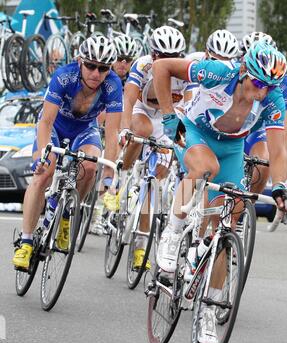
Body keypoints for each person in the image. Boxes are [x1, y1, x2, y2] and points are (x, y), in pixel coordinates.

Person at [152, 41, 287, 343]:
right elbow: (162, 68)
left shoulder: (272, 99)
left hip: (231, 149)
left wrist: (280, 184)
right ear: (244, 71)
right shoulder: (218, 72)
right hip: (194, 133)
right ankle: (173, 233)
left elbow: (278, 150)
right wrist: (167, 115)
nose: (262, 92)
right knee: (203, 168)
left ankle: (208, 311)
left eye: (270, 87)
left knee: (230, 222)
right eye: (258, 83)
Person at [13, 36, 123, 270]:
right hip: (54, 126)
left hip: (85, 129)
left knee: (91, 166)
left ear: (109, 69)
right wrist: (43, 156)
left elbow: (112, 133)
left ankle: (67, 214)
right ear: (81, 62)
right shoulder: (65, 75)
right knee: (45, 173)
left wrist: (109, 174)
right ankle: (25, 241)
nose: (96, 73)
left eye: (103, 68)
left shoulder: (113, 85)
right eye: (91, 65)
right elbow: (45, 121)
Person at [106, 26, 190, 270]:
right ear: (153, 55)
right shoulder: (142, 65)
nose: (167, 62)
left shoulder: (184, 71)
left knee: (154, 183)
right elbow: (129, 99)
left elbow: (189, 104)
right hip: (143, 112)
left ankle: (141, 248)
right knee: (139, 132)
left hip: (167, 119)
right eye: (162, 57)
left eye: (173, 56)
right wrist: (124, 129)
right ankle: (121, 179)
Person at [90, 35, 139, 236]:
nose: (123, 63)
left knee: (114, 165)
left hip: (117, 126)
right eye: (120, 58)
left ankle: (100, 213)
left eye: (128, 60)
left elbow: (132, 108)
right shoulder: (99, 74)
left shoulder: (131, 80)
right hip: (96, 121)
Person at [241, 32, 287, 193]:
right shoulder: (226, 72)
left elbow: (286, 134)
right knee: (199, 171)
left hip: (255, 130)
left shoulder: (284, 85)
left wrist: (286, 176)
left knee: (262, 163)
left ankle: (246, 209)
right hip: (211, 130)